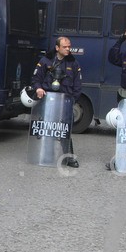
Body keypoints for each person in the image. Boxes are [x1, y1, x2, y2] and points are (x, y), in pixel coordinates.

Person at [30, 35, 82, 167]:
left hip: (65, 102)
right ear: (57, 47)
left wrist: (72, 100)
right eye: (65, 47)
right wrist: (38, 89)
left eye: (69, 46)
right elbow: (36, 79)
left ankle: (69, 157)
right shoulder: (46, 61)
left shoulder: (73, 63)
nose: (68, 49)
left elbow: (77, 85)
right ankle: (44, 153)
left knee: (65, 130)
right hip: (47, 102)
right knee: (46, 128)